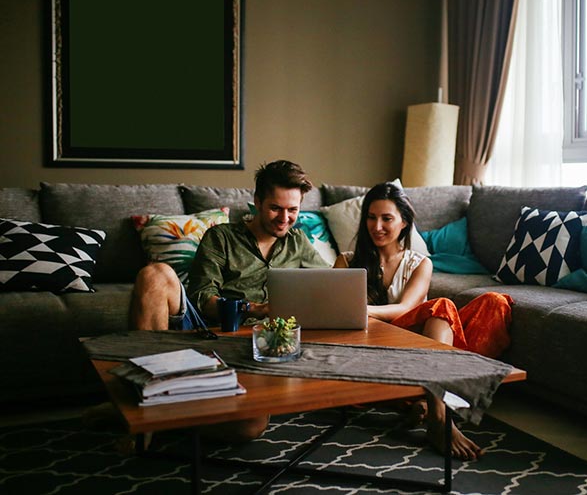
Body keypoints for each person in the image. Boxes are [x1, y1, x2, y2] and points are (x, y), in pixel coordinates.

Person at [87, 160, 330, 444]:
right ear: (257, 202)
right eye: (276, 208)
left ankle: (138, 413)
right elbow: (202, 297)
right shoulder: (222, 237)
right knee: (154, 274)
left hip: (261, 344)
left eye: (293, 210)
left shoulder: (298, 241)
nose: (284, 218)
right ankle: (143, 400)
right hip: (209, 328)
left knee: (250, 426)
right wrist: (254, 308)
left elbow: (327, 283)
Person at [334, 182, 513, 461]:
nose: (376, 225)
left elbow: (406, 308)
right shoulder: (346, 262)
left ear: (404, 223)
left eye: (387, 218)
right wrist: (358, 313)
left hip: (423, 350)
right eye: (371, 217)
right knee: (442, 307)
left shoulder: (420, 263)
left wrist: (361, 309)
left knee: (495, 302)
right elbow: (337, 316)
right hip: (380, 353)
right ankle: (440, 416)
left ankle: (425, 399)